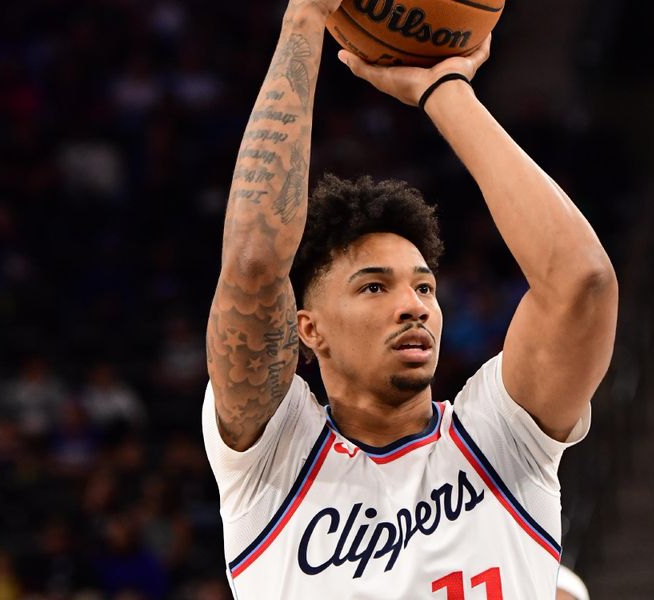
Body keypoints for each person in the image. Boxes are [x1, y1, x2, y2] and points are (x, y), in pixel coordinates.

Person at [202, 0, 618, 597]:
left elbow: (583, 282)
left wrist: (444, 89)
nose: (413, 304)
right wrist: (304, 19)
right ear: (308, 328)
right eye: (375, 286)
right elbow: (253, 265)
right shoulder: (274, 462)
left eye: (424, 285)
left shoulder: (500, 440)